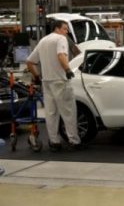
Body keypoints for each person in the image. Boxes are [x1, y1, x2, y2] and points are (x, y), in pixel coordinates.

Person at [26, 20, 83, 152]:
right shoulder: (60, 39)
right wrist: (68, 70)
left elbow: (29, 62)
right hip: (60, 81)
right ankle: (74, 141)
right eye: (65, 28)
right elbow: (61, 55)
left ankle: (54, 142)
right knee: (68, 112)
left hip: (47, 82)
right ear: (57, 28)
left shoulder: (43, 41)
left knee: (51, 113)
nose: (66, 31)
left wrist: (37, 77)